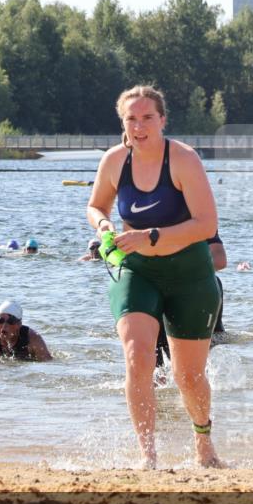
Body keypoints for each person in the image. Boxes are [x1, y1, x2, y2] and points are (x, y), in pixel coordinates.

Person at [86, 84, 223, 469]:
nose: (139, 126)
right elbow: (95, 205)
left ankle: (203, 443)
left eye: (148, 117)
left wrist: (152, 235)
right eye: (131, 118)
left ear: (162, 120)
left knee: (188, 376)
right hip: (136, 269)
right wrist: (103, 227)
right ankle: (148, 456)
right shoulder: (114, 161)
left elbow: (206, 224)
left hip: (189, 273)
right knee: (137, 355)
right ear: (123, 123)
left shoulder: (183, 159)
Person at [155, 232, 227, 369]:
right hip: (154, 289)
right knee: (155, 364)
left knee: (191, 366)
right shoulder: (146, 218)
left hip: (195, 290)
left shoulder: (200, 219)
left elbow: (220, 259)